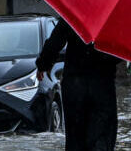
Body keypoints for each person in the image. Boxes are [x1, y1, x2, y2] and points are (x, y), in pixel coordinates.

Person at [36, 18, 120, 151]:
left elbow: (55, 41)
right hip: (102, 86)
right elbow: (119, 52)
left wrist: (43, 64)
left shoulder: (76, 12)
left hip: (75, 86)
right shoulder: (113, 19)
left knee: (76, 138)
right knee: (102, 136)